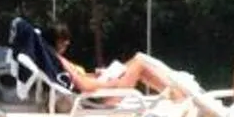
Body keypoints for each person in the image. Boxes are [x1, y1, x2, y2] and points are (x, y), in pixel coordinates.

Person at [49, 24, 180, 98]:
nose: (67, 44)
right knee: (139, 63)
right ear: (57, 42)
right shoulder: (60, 61)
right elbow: (85, 86)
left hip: (98, 91)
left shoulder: (55, 60)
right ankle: (176, 93)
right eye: (64, 42)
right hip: (101, 97)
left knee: (138, 60)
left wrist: (96, 75)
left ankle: (174, 91)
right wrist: (111, 83)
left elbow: (78, 79)